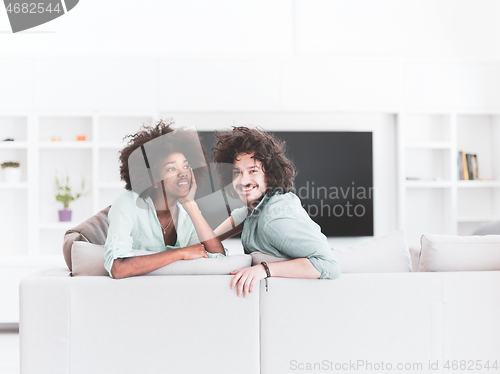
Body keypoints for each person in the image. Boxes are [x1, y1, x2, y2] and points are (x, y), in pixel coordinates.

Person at [213, 126, 341, 297]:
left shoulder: (273, 220)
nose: (243, 180)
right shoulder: (252, 210)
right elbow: (207, 242)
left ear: (269, 174)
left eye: (253, 171)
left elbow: (329, 266)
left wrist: (264, 269)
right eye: (237, 172)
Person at [104, 120, 225, 279]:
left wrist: (191, 205)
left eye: (186, 166)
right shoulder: (127, 203)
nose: (183, 173)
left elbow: (219, 258)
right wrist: (180, 253)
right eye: (171, 168)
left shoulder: (186, 211)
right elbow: (117, 268)